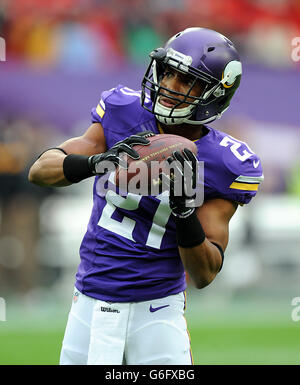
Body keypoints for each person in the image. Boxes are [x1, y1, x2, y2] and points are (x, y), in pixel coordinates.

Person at [28, 27, 264, 365]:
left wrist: (185, 214)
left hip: (156, 312)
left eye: (187, 80)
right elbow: (40, 170)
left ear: (215, 93)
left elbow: (204, 274)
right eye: (168, 72)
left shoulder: (224, 162)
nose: (170, 85)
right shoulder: (123, 111)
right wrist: (101, 161)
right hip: (89, 301)